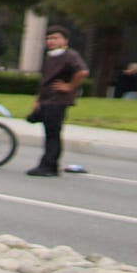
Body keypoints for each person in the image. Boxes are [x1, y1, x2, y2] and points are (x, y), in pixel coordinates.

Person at [27, 27, 89, 177]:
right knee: (49, 131)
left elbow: (82, 72)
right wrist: (38, 100)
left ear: (65, 40)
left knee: (53, 133)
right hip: (47, 100)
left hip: (58, 100)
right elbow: (45, 81)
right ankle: (49, 164)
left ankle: (48, 165)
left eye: (55, 38)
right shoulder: (51, 57)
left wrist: (69, 86)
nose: (51, 41)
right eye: (49, 39)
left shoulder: (70, 56)